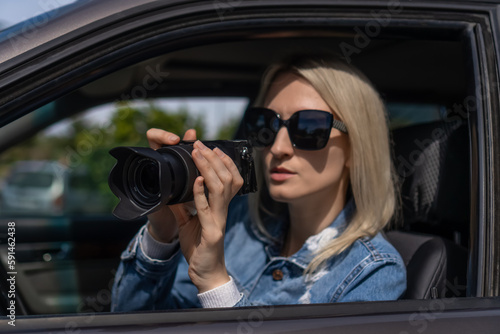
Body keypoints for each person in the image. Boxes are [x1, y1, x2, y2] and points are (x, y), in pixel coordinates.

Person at [111, 54, 406, 311]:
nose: (278, 148)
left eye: (309, 127)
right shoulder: (241, 226)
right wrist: (162, 232)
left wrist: (215, 282)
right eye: (267, 125)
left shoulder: (373, 271)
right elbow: (139, 323)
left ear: (357, 149)